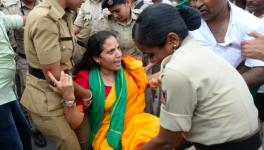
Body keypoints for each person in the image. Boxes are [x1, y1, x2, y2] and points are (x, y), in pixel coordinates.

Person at [132, 4, 262, 150]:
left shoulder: (177, 70)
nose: (151, 61)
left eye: (151, 54)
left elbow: (167, 142)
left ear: (172, 40)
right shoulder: (195, 49)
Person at [69, 30, 159, 150]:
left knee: (157, 136)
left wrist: (162, 74)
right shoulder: (85, 78)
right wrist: (67, 96)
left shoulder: (128, 66)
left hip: (136, 123)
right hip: (107, 132)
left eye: (118, 48)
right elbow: (75, 122)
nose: (118, 54)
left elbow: (143, 82)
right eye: (111, 51)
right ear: (96, 58)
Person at [20, 0, 89, 149]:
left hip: (67, 90)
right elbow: (54, 76)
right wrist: (86, 94)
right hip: (47, 98)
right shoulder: (45, 18)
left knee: (86, 140)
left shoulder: (65, 14)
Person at [189, 0, 264, 89]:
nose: (197, 4)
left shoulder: (252, 25)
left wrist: (223, 90)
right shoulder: (185, 22)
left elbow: (259, 70)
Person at [0, 12, 32, 150]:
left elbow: (18, 20)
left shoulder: (1, 16)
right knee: (13, 144)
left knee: (23, 130)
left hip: (8, 91)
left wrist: (43, 12)